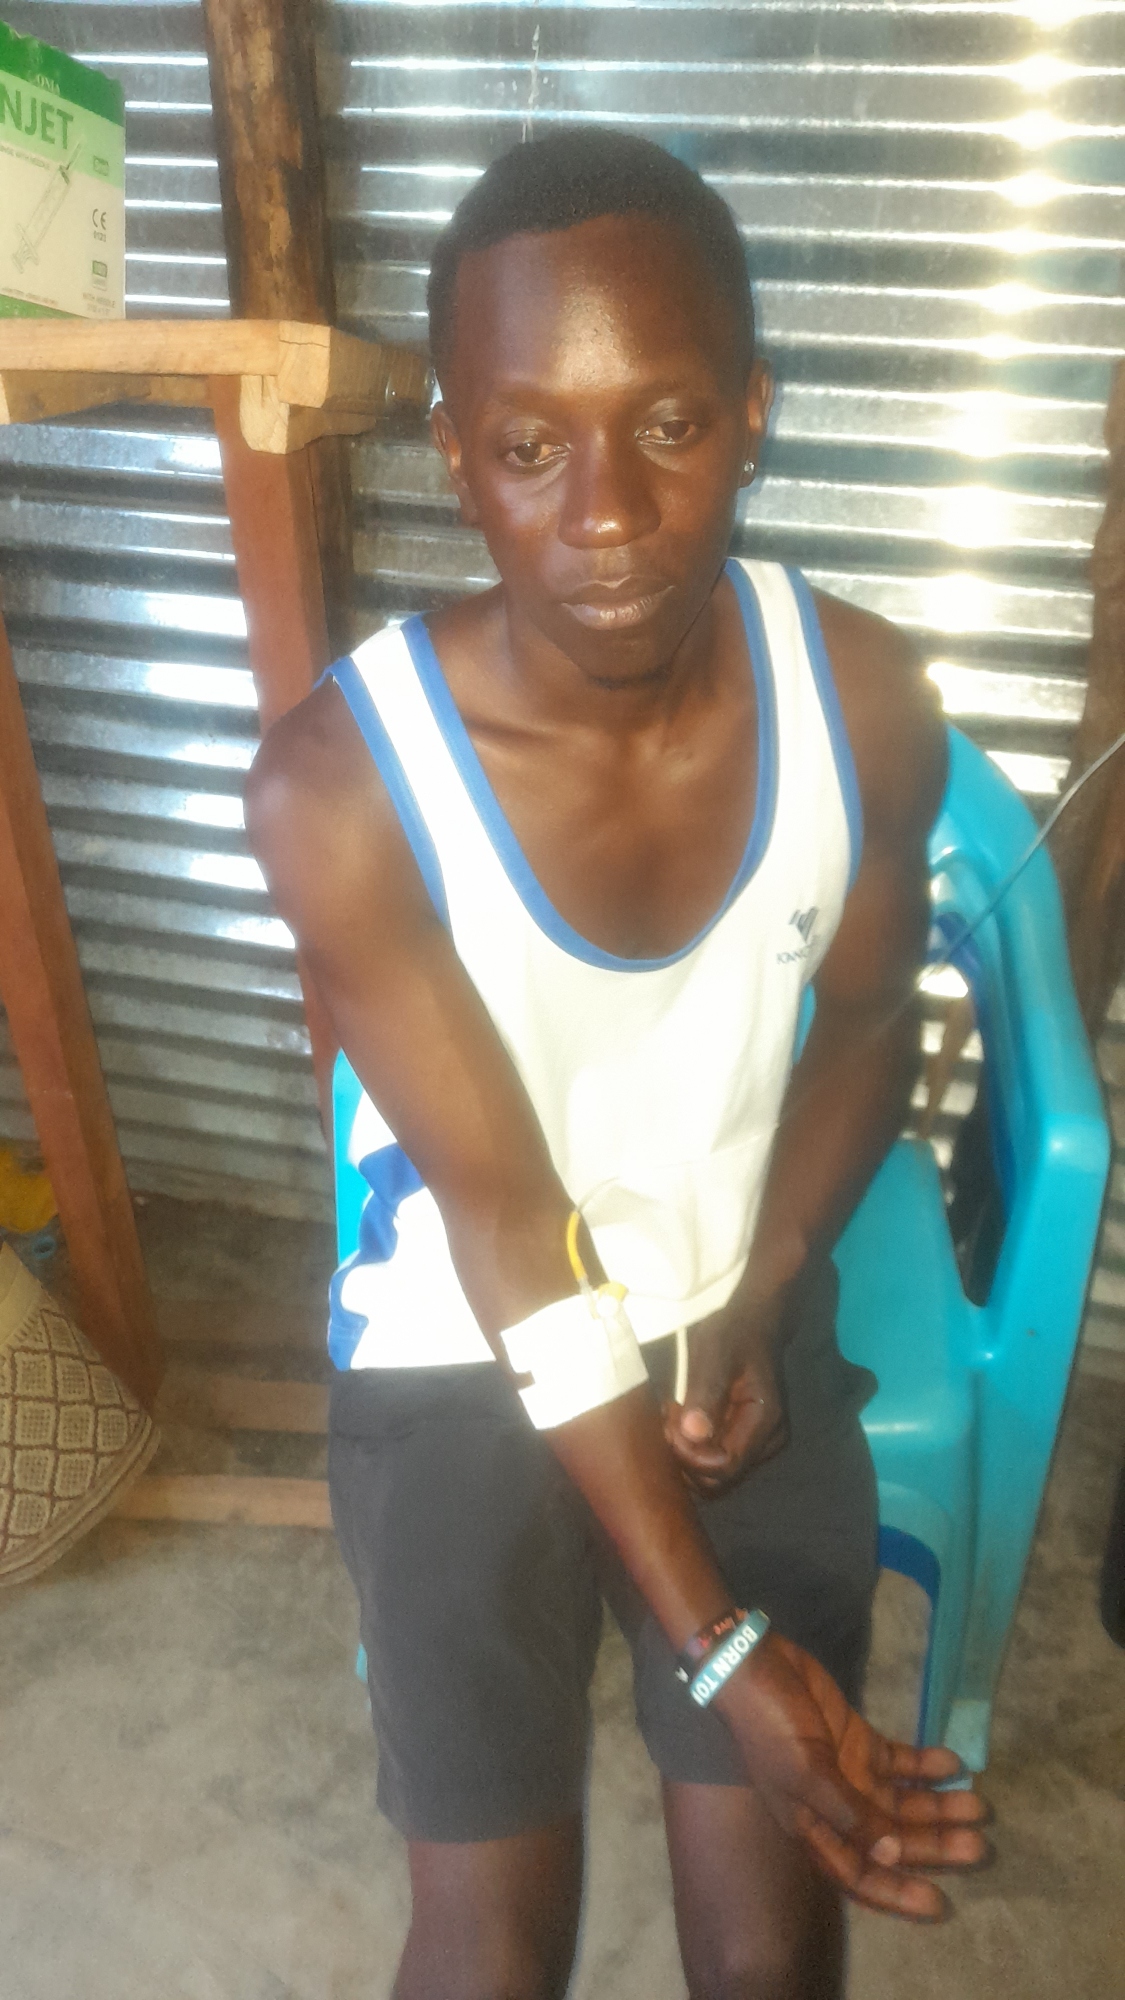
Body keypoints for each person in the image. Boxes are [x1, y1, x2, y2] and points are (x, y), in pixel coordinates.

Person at [246, 128, 988, 2000]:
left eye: (664, 426)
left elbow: (868, 1018)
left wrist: (768, 1272)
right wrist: (719, 1647)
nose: (604, 514)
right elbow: (504, 1226)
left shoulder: (862, 705)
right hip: (459, 1344)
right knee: (489, 1944)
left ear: (750, 415)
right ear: (454, 454)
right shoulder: (343, 788)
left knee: (770, 1938)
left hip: (731, 1315)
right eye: (529, 445)